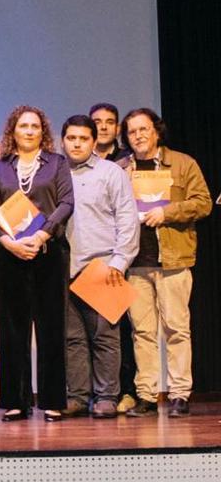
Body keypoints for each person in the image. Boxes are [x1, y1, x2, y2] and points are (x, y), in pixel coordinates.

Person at [116, 108, 212, 417]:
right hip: (136, 263)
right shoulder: (120, 170)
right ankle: (146, 394)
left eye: (144, 129)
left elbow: (203, 202)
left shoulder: (183, 164)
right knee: (142, 332)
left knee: (176, 329)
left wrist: (167, 213)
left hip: (173, 259)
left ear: (157, 131)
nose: (139, 136)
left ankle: (179, 393)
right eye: (132, 132)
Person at [0, 105, 73, 422]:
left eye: (35, 126)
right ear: (13, 131)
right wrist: (9, 243)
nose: (30, 131)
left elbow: (66, 203)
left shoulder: (57, 164)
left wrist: (41, 236)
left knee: (51, 329)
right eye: (24, 126)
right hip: (9, 257)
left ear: (43, 132)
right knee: (11, 331)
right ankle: (16, 400)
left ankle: (51, 399)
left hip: (49, 254)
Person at [60, 115, 139, 419]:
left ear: (94, 142)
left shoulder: (110, 173)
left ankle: (106, 396)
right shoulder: (55, 172)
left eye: (83, 138)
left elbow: (127, 219)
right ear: (63, 140)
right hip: (63, 268)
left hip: (102, 265)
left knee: (105, 336)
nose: (77, 143)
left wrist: (119, 261)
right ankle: (77, 397)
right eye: (71, 138)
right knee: (72, 339)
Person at [88, 102, 137, 412]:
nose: (103, 127)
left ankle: (125, 391)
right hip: (85, 260)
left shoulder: (127, 163)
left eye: (109, 122)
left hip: (116, 258)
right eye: (98, 122)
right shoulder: (77, 163)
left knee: (118, 328)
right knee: (90, 332)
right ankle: (97, 392)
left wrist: (119, 259)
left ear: (117, 128)